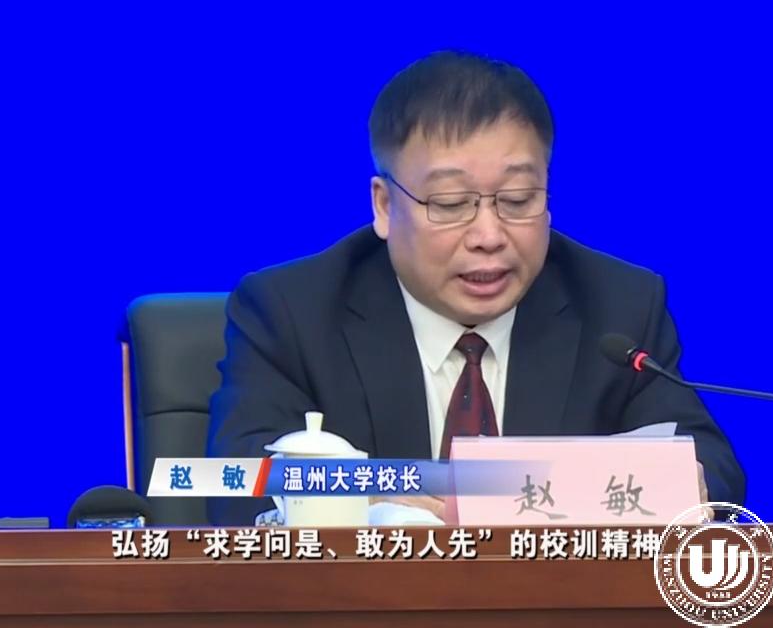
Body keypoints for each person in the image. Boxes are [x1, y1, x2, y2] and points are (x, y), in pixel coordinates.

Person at [206, 50, 745, 526]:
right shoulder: (291, 311)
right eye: (450, 204)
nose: (489, 236)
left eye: (517, 200)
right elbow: (234, 483)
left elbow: (712, 469)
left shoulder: (618, 305)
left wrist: (674, 486)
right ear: (385, 206)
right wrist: (354, 500)